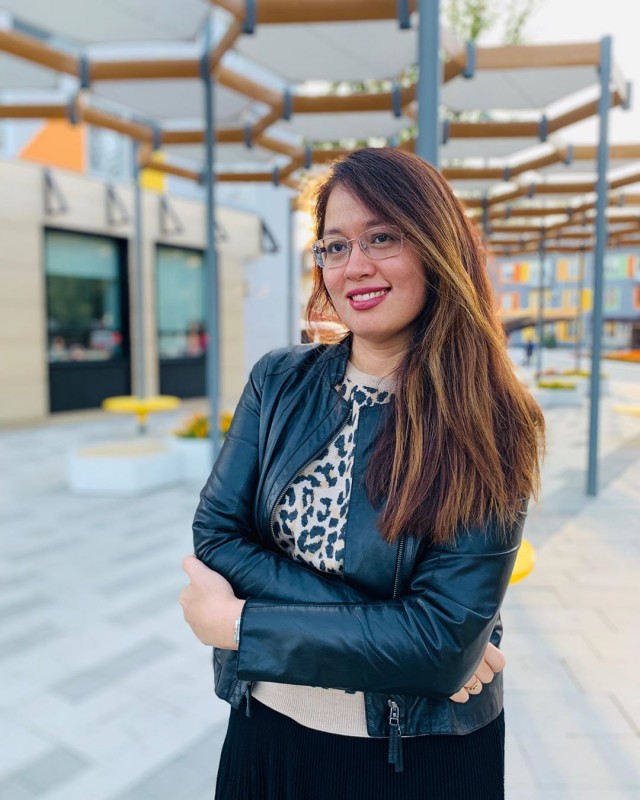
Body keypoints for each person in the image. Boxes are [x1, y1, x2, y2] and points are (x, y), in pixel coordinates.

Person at [180, 147, 545, 799]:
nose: (355, 265)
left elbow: (438, 645)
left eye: (382, 237)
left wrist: (242, 626)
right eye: (336, 245)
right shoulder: (278, 382)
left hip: (416, 758)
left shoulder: (492, 419)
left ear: (437, 248)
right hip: (266, 727)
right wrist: (407, 639)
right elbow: (217, 537)